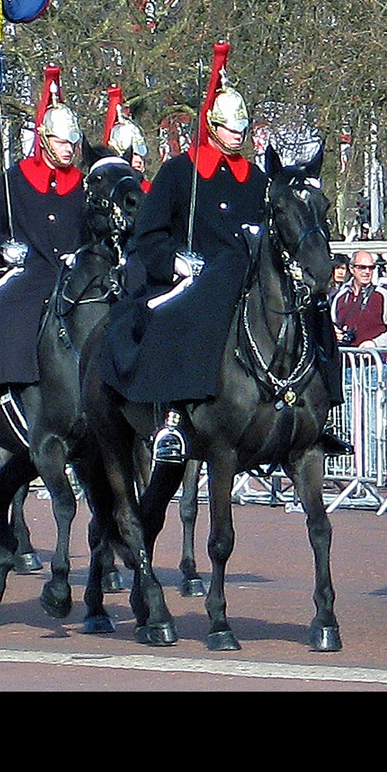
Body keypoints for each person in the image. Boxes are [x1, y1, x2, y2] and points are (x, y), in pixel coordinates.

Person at [97, 47, 284, 463]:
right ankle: (172, 418)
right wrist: (176, 261)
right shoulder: (180, 173)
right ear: (212, 127)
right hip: (193, 277)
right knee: (169, 318)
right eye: (229, 128)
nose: (238, 135)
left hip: (245, 276)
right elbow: (149, 233)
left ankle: (306, 415)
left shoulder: (255, 179)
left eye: (242, 129)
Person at [0, 67, 88, 452]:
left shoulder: (83, 184)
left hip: (76, 273)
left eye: (72, 142)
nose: (68, 148)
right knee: (1, 311)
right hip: (33, 272)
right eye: (61, 141)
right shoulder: (16, 180)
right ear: (44, 141)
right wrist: (2, 251)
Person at [334, 250, 387, 349]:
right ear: (351, 268)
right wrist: (334, 333)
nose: (367, 272)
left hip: (374, 361)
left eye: (371, 268)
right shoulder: (340, 297)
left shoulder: (383, 296)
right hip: (344, 360)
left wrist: (375, 343)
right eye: (361, 267)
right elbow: (331, 325)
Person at [102, 84, 152, 191]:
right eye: (134, 154)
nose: (139, 160)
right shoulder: (105, 189)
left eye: (140, 153)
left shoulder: (151, 189)